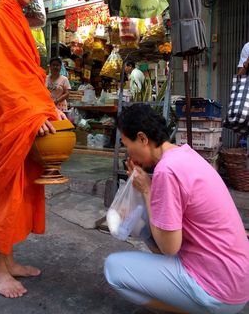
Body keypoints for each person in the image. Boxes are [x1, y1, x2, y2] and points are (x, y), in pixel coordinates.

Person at [0, 0, 66, 299]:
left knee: (18, 192)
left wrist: (47, 105)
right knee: (2, 195)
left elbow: (27, 74)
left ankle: (8, 260)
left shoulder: (21, 24)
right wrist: (30, 111)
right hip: (4, 120)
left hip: (24, 117)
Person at [104, 104, 249, 314]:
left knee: (113, 269)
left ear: (143, 138)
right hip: (238, 280)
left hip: (220, 290)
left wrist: (146, 191)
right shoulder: (185, 153)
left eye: (127, 144)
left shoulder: (167, 171)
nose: (128, 152)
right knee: (149, 221)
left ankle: (199, 310)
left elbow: (169, 248)